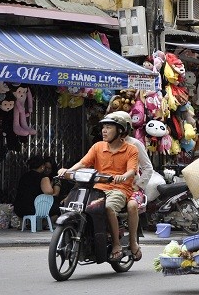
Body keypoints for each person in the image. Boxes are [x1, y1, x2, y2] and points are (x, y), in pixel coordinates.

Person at [58, 113, 139, 262]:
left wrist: (124, 176)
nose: (104, 130)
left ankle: (116, 244)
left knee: (108, 208)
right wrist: (67, 171)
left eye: (108, 127)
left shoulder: (131, 149)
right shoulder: (98, 146)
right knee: (72, 204)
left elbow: (132, 170)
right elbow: (83, 163)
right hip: (96, 188)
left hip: (119, 189)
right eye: (103, 127)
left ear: (120, 131)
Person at [108, 111, 153, 261]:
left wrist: (138, 184)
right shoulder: (104, 144)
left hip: (132, 187)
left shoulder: (135, 144)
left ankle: (133, 241)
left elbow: (148, 167)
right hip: (110, 187)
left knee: (132, 206)